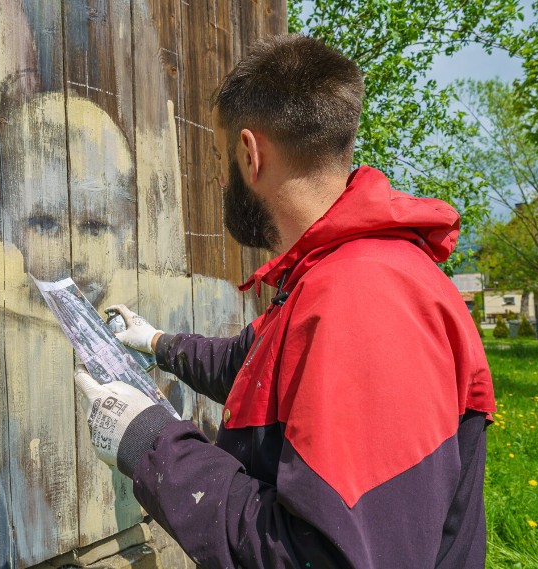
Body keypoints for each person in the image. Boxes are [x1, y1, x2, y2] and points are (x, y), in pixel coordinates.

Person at [74, 34, 496, 568]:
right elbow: (250, 368)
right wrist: (155, 343)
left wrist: (152, 445)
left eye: (219, 157)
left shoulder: (364, 301)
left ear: (250, 155)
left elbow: (321, 556)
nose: (218, 175)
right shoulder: (328, 275)